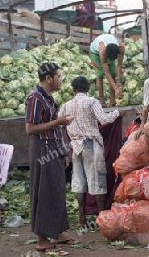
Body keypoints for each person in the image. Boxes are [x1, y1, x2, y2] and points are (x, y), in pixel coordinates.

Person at [25, 62, 80, 253]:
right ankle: (41, 239)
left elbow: (56, 129)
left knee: (57, 191)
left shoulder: (49, 99)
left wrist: (64, 152)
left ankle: (59, 232)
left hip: (54, 148)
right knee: (44, 192)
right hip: (42, 150)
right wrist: (59, 121)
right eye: (58, 77)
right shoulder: (35, 98)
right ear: (48, 78)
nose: (61, 80)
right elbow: (30, 129)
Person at [58, 76, 125, 227]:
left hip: (75, 146)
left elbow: (59, 123)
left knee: (79, 182)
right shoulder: (91, 102)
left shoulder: (66, 105)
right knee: (98, 182)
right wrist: (116, 113)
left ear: (74, 90)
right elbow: (104, 120)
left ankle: (81, 219)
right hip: (91, 145)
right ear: (87, 89)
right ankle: (101, 218)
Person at [90, 34, 125, 108]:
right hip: (95, 53)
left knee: (113, 73)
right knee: (100, 75)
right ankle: (102, 101)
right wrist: (116, 88)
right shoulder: (102, 52)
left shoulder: (121, 48)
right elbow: (106, 73)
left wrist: (119, 81)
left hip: (109, 51)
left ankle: (112, 100)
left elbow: (119, 64)